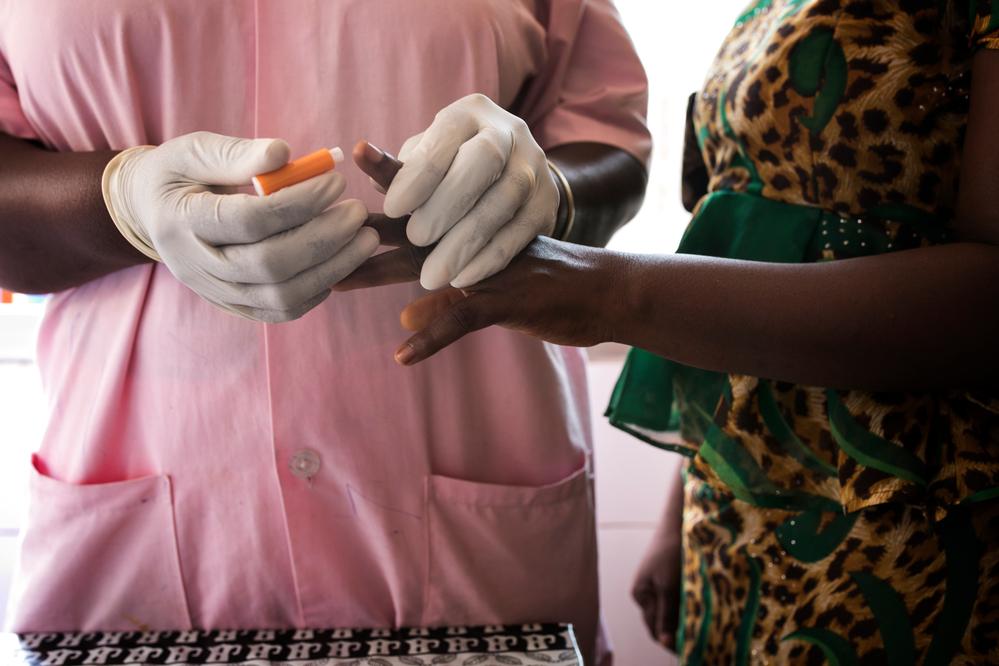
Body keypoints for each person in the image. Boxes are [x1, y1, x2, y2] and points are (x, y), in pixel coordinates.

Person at [0, 3, 650, 664]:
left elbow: (609, 141)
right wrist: (117, 199)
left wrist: (548, 190)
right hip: (132, 519)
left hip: (478, 462)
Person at [360, 1, 999, 663]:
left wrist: (610, 291)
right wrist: (680, 509)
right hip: (737, 508)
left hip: (907, 517)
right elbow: (747, 254)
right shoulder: (767, 9)